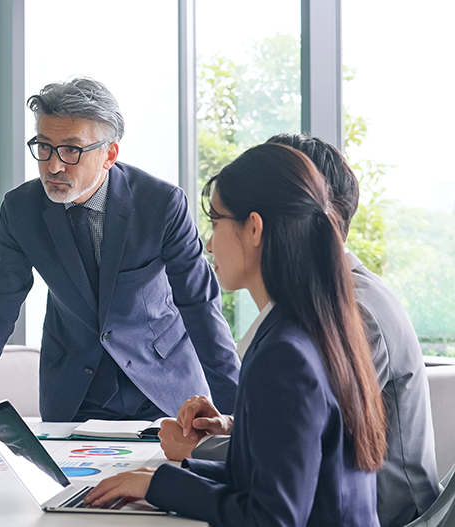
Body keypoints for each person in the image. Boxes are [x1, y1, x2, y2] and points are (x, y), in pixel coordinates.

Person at [85, 143, 387, 525]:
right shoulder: (313, 326)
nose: (208, 244)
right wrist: (164, 479)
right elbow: (271, 484)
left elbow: (271, 518)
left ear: (255, 228)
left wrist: (162, 485)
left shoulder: (285, 354)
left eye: (215, 221)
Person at [157, 134, 440, 526]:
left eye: (217, 221)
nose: (207, 242)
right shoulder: (319, 303)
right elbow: (303, 426)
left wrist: (192, 456)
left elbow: (294, 473)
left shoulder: (348, 312)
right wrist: (228, 430)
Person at [0, 77, 240, 422]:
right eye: (43, 147)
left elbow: (199, 305)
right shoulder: (21, 209)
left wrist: (239, 407)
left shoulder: (160, 204)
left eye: (71, 150)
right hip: (74, 393)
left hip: (164, 388)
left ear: (109, 154)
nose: (53, 166)